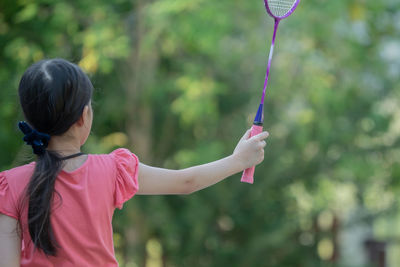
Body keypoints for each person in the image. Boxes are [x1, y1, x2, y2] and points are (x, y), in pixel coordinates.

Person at [0, 59, 269, 266]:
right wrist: (238, 160)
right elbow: (186, 181)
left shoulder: (10, 185)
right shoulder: (113, 169)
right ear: (84, 116)